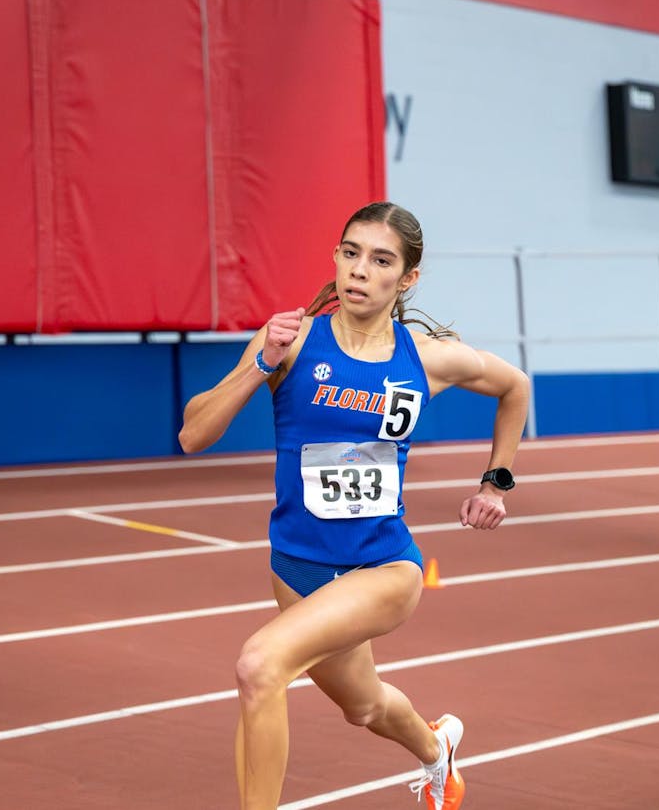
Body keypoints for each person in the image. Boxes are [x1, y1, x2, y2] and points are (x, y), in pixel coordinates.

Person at [178, 201, 530, 809]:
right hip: (297, 569)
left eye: (380, 259)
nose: (360, 271)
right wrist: (259, 365)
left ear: (407, 278)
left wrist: (495, 481)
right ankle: (436, 750)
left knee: (260, 666)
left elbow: (514, 386)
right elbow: (192, 435)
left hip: (385, 569)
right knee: (363, 706)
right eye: (350, 253)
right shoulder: (291, 340)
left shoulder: (425, 356)